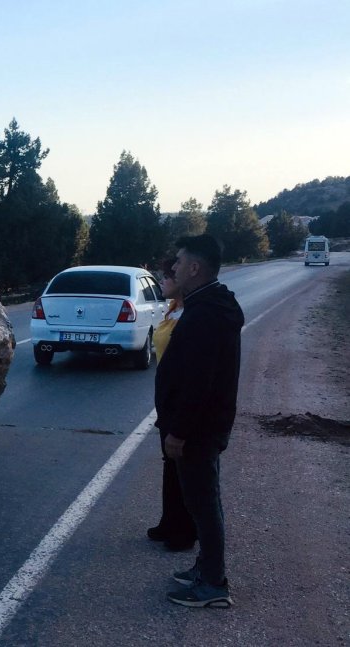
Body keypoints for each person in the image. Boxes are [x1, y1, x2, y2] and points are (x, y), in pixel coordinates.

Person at [155, 234, 243, 608]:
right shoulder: (205, 304)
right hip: (203, 425)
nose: (172, 267)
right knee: (202, 500)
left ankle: (213, 583)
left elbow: (198, 383)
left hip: (198, 429)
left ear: (194, 267)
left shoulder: (206, 314)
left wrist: (179, 431)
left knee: (204, 504)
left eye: (178, 261)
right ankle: (206, 566)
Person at [146, 258, 197, 551]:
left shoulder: (188, 314)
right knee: (170, 463)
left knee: (184, 467)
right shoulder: (174, 309)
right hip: (166, 397)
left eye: (167, 277)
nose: (163, 281)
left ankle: (184, 531)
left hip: (179, 398)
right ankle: (169, 522)